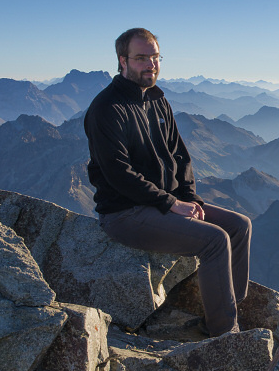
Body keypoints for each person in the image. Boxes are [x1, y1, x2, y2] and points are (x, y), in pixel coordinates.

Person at [84, 28, 251, 337]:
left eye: (156, 57)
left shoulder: (158, 101)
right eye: (141, 58)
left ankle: (230, 307)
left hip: (164, 203)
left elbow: (180, 156)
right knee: (215, 241)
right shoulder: (106, 109)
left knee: (239, 226)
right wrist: (172, 204)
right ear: (123, 61)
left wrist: (192, 200)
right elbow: (118, 173)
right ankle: (225, 335)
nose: (151, 64)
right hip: (125, 213)